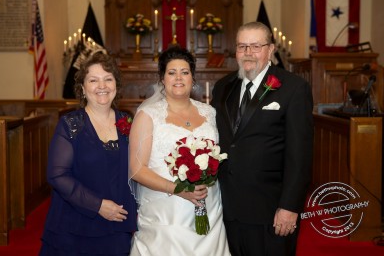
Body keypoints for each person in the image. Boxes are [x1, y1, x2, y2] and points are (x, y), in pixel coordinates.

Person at [211, 21, 313, 256]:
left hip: (270, 209)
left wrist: (289, 206)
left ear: (271, 49)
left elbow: (300, 155)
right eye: (242, 46)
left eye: (256, 46)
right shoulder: (223, 87)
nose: (248, 53)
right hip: (228, 207)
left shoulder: (294, 88)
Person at [128, 46, 230, 255]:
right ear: (162, 78)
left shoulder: (209, 112)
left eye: (185, 72)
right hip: (166, 211)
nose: (179, 78)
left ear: (193, 78)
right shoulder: (148, 115)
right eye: (171, 72)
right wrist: (178, 189)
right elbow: (137, 169)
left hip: (208, 204)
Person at [39, 52, 137, 256]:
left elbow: (136, 169)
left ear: (116, 85)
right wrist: (98, 205)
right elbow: (57, 175)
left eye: (108, 79)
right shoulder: (71, 124)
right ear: (83, 88)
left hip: (117, 225)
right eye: (93, 80)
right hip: (75, 225)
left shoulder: (127, 121)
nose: (102, 86)